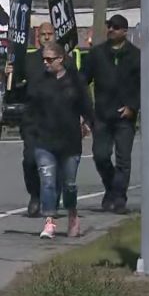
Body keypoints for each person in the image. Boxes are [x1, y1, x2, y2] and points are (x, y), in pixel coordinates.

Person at [28, 41, 94, 239]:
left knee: (69, 184)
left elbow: (86, 106)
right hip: (44, 140)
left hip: (69, 142)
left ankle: (72, 215)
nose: (46, 63)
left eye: (49, 59)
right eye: (43, 60)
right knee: (47, 181)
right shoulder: (39, 82)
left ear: (61, 59)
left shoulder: (75, 82)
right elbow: (30, 110)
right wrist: (30, 133)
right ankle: (49, 222)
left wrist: (90, 124)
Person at [84, 14, 141, 213]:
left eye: (116, 27)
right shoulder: (97, 54)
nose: (111, 30)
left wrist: (132, 107)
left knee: (123, 159)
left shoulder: (135, 55)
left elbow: (143, 85)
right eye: (109, 26)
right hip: (101, 115)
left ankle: (119, 198)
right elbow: (83, 81)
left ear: (125, 31)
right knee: (100, 155)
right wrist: (87, 110)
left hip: (125, 116)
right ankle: (111, 188)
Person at [5, 21, 56, 217]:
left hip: (56, 119)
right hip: (33, 120)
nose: (46, 37)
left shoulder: (63, 59)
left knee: (54, 162)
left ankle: (51, 197)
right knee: (29, 161)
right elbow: (14, 93)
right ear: (38, 36)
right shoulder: (28, 60)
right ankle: (35, 196)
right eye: (43, 34)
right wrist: (8, 76)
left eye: (50, 33)